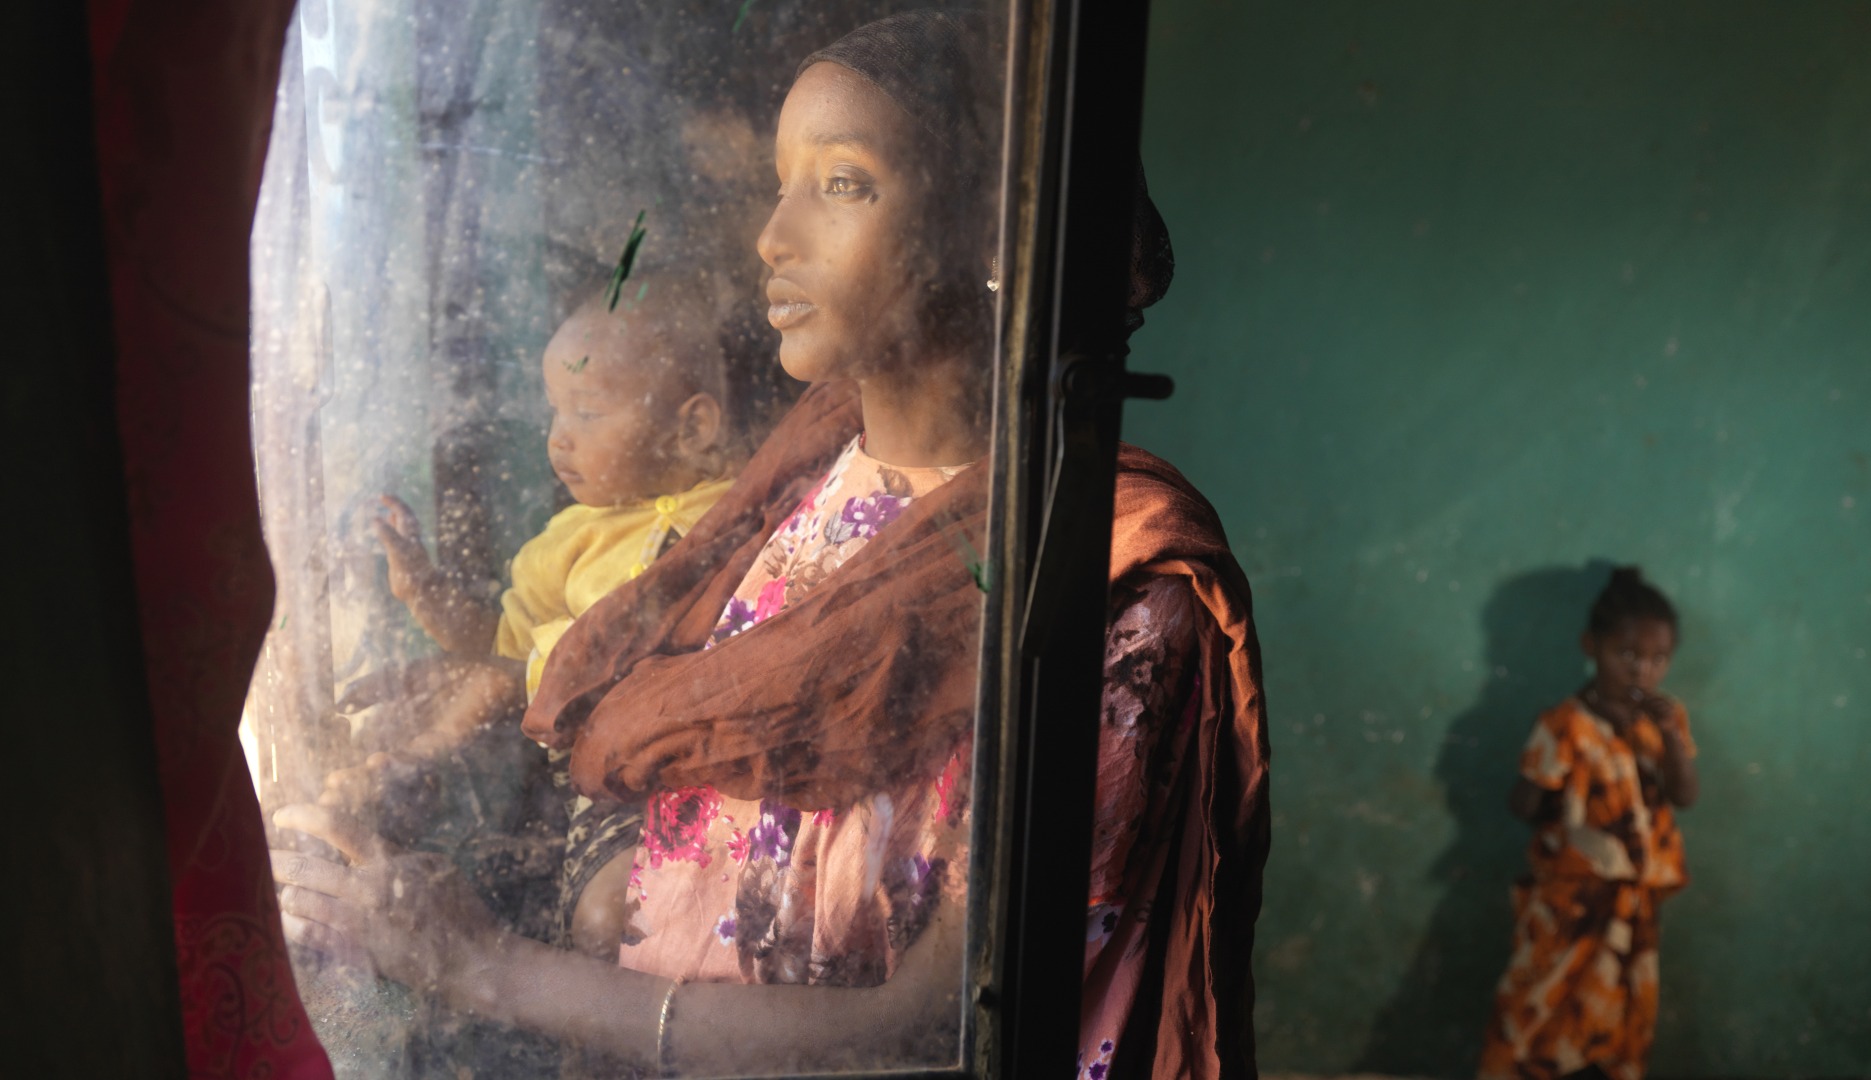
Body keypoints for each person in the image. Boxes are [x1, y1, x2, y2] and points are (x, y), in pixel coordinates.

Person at [272, 13, 1269, 1078]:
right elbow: (690, 790)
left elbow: (935, 1028)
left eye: (842, 184)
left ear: (994, 235)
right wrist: (498, 702)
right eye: (781, 181)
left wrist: (484, 968)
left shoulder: (1106, 581)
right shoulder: (789, 483)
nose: (772, 237)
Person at [326, 270, 751, 957]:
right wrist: (424, 590)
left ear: (693, 425)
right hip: (607, 781)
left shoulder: (739, 507)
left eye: (587, 412)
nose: (559, 439)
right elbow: (497, 648)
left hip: (709, 762)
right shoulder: (566, 543)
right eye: (554, 413)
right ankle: (408, 768)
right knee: (605, 916)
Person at [1479, 567, 1700, 1080]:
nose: (1641, 671)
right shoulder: (1564, 723)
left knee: (1622, 1013)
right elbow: (1523, 807)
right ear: (1590, 646)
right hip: (1571, 897)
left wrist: (1669, 738)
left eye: (1657, 659)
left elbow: (1685, 795)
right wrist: (1544, 776)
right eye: (1626, 655)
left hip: (1635, 896)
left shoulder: (1667, 720)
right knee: (1538, 1001)